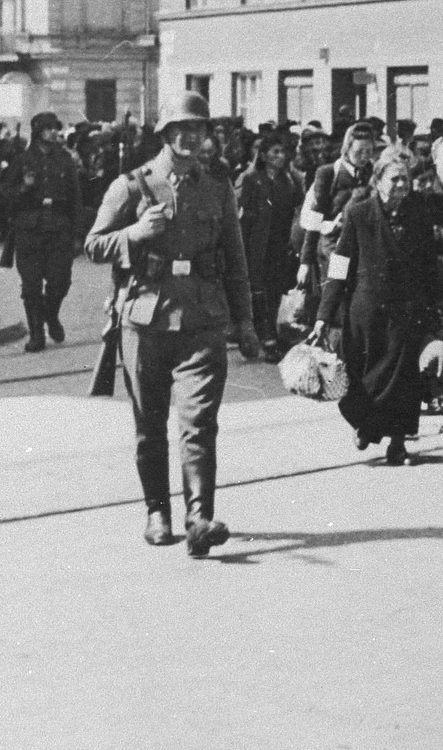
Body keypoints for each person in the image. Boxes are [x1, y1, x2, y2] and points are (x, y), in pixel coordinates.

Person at [84, 91, 262, 556]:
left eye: (199, 128)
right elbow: (94, 244)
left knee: (200, 422)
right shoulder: (131, 185)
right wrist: (135, 234)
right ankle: (157, 510)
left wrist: (245, 322)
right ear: (164, 133)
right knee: (150, 424)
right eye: (180, 128)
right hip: (144, 320)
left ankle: (199, 518)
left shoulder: (218, 187)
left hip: (202, 319)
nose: (190, 136)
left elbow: (237, 261)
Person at [311, 148, 443, 466]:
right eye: (395, 178)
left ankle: (398, 444)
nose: (402, 185)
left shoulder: (419, 216)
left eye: (406, 179)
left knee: (403, 380)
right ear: (378, 180)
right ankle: (365, 424)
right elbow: (340, 266)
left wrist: (434, 309)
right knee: (362, 377)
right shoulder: (359, 215)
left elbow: (428, 267)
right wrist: (323, 315)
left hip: (406, 313)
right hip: (366, 314)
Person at [0, 112, 84, 352]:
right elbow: (5, 192)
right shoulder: (23, 160)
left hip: (59, 229)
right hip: (30, 230)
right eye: (48, 128)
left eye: (55, 128)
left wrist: (78, 234)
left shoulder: (65, 160)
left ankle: (51, 315)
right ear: (37, 131)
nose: (53, 132)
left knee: (60, 282)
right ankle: (36, 333)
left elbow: (76, 198)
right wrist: (24, 187)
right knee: (31, 286)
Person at [236, 131, 303, 353]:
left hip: (281, 242)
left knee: (276, 288)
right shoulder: (251, 179)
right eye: (275, 151)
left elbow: (297, 210)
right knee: (258, 289)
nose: (280, 156)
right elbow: (243, 216)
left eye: (283, 151)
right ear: (263, 155)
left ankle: (273, 331)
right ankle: (263, 334)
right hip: (257, 243)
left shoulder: (290, 181)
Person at [295, 120, 377, 291]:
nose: (364, 156)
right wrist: (305, 262)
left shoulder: (372, 172)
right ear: (347, 148)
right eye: (359, 151)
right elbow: (315, 217)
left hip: (361, 247)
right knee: (335, 295)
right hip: (333, 247)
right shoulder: (328, 173)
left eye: (368, 151)